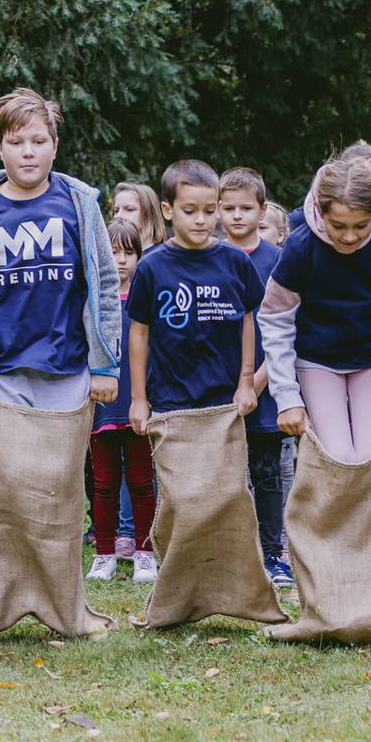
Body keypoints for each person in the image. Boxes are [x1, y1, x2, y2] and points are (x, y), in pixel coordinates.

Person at [0, 88, 120, 426]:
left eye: (38, 142)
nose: (28, 153)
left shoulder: (81, 204)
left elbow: (106, 285)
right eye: (16, 142)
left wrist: (105, 365)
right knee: (7, 478)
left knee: (60, 476)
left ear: (55, 145)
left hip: (69, 369)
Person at [258, 153, 371, 471]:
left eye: (360, 226)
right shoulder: (302, 246)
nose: (350, 236)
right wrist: (287, 395)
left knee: (370, 461)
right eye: (338, 226)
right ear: (320, 211)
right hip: (317, 362)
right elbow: (275, 319)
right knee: (339, 458)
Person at [126, 160, 262, 434]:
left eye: (209, 211)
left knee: (228, 476)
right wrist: (138, 399)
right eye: (189, 211)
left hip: (226, 402)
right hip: (168, 403)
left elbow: (247, 321)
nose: (200, 220)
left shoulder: (236, 262)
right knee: (174, 477)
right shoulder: (150, 267)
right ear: (167, 209)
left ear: (218, 209)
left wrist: (246, 383)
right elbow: (139, 334)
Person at [221, 167, 293, 583]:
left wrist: (259, 379)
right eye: (227, 208)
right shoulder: (209, 256)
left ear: (262, 210)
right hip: (218, 388)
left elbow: (290, 325)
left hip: (265, 387)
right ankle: (230, 554)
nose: (236, 216)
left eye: (246, 208)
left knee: (266, 473)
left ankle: (272, 554)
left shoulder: (278, 261)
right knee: (225, 476)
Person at [89, 219, 156, 582]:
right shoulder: (92, 304)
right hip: (102, 406)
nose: (121, 260)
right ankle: (104, 553)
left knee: (142, 480)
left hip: (138, 403)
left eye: (129, 252)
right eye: (113, 252)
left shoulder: (144, 302)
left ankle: (145, 552)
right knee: (103, 482)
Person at [111, 181, 165, 246]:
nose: (119, 216)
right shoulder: (109, 254)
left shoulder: (163, 255)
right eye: (116, 210)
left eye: (129, 209)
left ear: (149, 215)